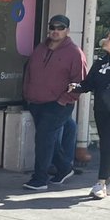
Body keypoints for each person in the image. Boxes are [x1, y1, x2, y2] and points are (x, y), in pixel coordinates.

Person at [21, 14, 87, 191]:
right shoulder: (40, 48)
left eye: (60, 28)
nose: (55, 31)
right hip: (35, 101)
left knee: (43, 138)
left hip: (58, 103)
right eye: (52, 27)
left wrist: (63, 100)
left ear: (67, 30)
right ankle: (65, 167)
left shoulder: (74, 52)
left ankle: (40, 179)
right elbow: (29, 72)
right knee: (48, 139)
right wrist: (27, 94)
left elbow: (80, 82)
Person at [68, 28, 110, 199]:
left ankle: (100, 183)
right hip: (101, 109)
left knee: (106, 144)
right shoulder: (100, 62)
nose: (106, 40)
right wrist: (77, 87)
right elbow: (89, 83)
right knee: (108, 144)